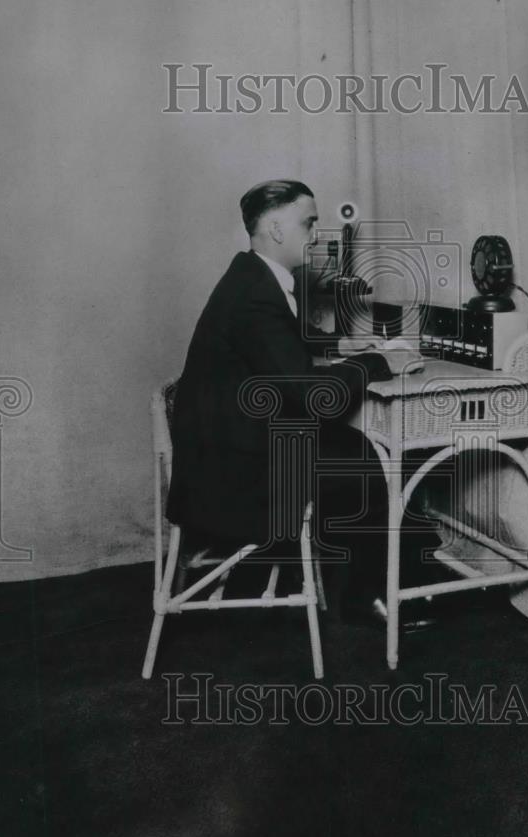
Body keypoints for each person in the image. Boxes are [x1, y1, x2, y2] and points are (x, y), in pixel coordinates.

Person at [167, 179, 398, 624]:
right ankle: (366, 594)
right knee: (359, 455)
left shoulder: (250, 278)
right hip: (229, 472)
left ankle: (357, 581)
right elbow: (315, 397)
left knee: (347, 450)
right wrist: (376, 361)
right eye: (308, 223)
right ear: (275, 229)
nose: (315, 235)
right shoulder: (257, 294)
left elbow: (279, 358)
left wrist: (334, 351)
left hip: (220, 448)